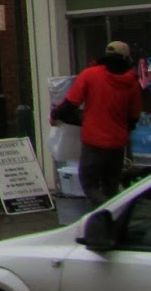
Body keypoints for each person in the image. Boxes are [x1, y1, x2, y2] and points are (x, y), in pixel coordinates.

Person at [52, 41, 142, 205]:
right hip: (117, 144)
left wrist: (56, 114)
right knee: (110, 187)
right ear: (126, 58)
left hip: (94, 142)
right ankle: (112, 217)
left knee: (89, 184)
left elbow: (70, 104)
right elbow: (134, 116)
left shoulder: (90, 75)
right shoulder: (132, 82)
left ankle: (107, 215)